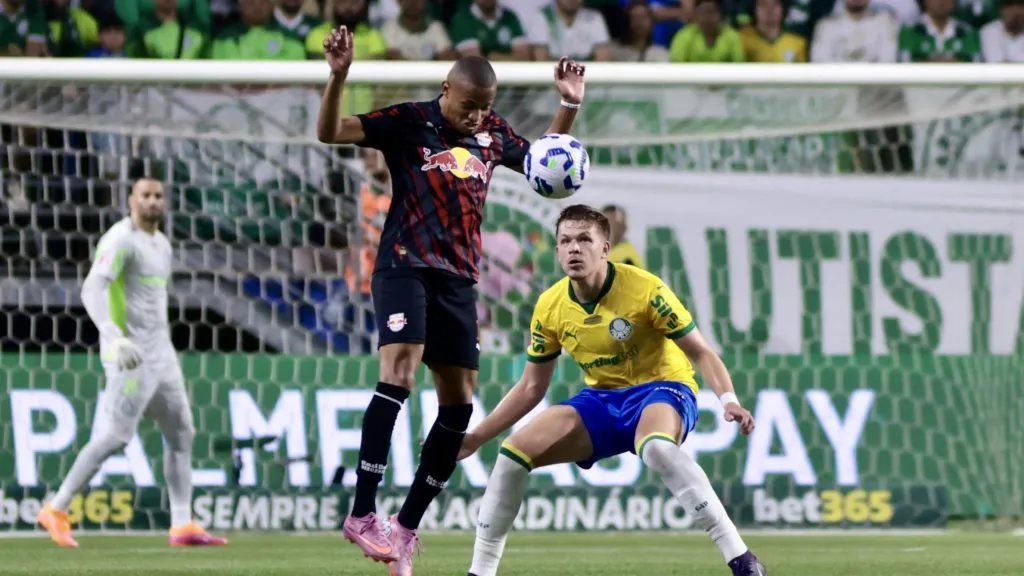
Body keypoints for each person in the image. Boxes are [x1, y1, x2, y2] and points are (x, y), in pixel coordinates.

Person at [316, 25, 586, 576]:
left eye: (485, 109)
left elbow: (544, 168)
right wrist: (338, 77)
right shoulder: (409, 121)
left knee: (460, 405)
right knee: (399, 371)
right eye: (468, 107)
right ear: (446, 89)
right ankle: (363, 511)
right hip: (404, 265)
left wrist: (567, 106)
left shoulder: (493, 134)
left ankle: (406, 528)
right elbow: (330, 132)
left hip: (459, 280)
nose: (476, 118)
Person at [460, 204, 766, 576]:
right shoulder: (550, 306)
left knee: (655, 447)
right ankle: (481, 571)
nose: (574, 249)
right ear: (556, 251)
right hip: (602, 401)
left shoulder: (645, 288)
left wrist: (728, 399)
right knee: (511, 455)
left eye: (584, 240)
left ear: (605, 248)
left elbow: (700, 351)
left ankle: (743, 560)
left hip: (664, 388)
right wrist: (476, 437)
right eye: (566, 241)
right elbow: (530, 387)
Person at [36, 176, 227, 550]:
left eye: (158, 195)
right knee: (115, 437)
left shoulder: (162, 244)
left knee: (182, 432)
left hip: (162, 355)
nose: (153, 201)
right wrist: (113, 335)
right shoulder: (120, 239)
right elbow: (92, 287)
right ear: (131, 200)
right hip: (131, 356)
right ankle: (55, 509)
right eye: (146, 195)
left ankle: (182, 523)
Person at [602, 203, 645, 268]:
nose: (608, 229)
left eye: (612, 224)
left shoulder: (626, 259)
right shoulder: (607, 251)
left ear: (624, 228)